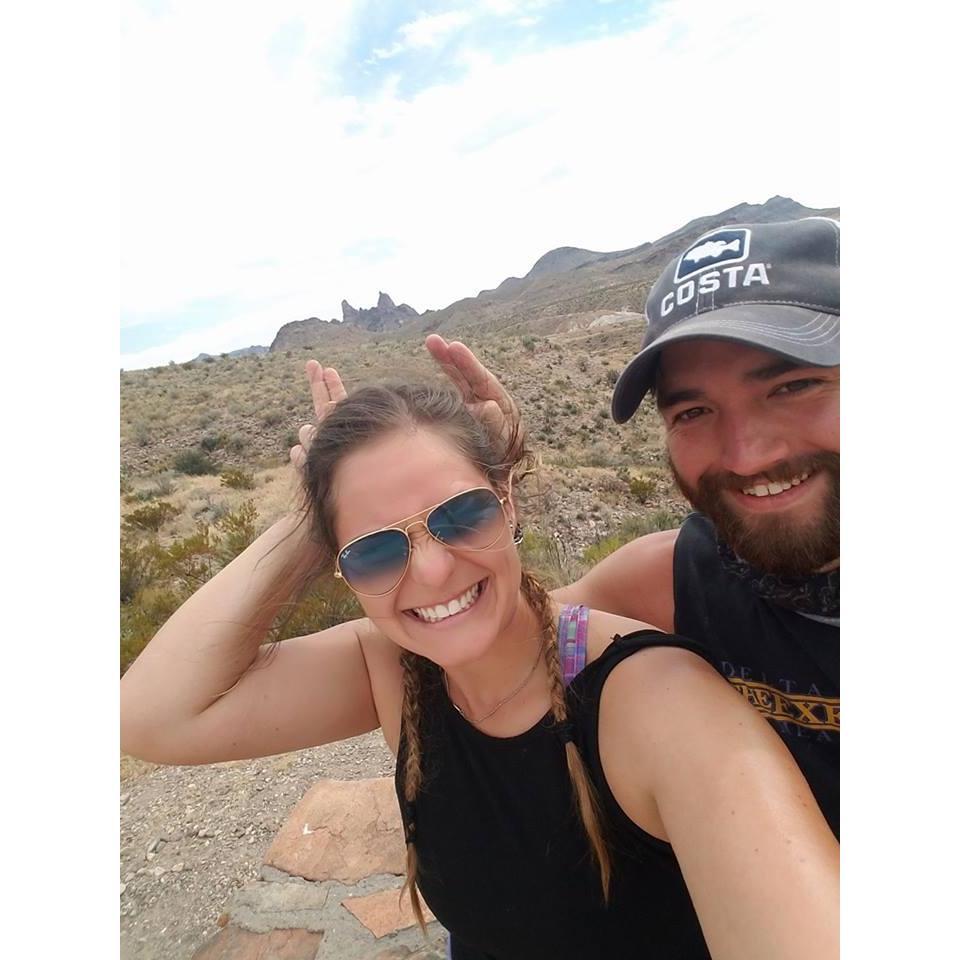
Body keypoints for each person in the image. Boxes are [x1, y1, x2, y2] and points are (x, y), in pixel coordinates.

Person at [120, 381, 838, 960]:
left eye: (462, 515)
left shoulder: (655, 701)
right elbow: (154, 717)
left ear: (509, 500)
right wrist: (310, 511)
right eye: (374, 550)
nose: (431, 571)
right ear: (338, 569)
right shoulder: (393, 666)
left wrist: (345, 515)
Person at [424, 215, 841, 837]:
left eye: (794, 385)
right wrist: (476, 490)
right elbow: (491, 643)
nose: (747, 455)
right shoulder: (676, 579)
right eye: (694, 410)